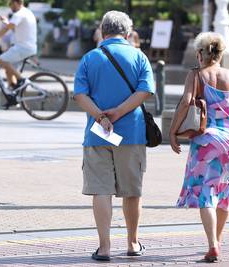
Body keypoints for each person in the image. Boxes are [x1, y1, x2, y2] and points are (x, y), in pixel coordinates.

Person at [169, 32, 229, 262]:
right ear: (220, 54)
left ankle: (212, 245)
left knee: (206, 194)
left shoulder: (196, 75)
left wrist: (172, 131)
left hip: (207, 141)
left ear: (200, 54)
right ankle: (217, 242)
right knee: (224, 195)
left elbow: (186, 102)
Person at [74, 11, 154, 261]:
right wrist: (119, 112)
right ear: (128, 33)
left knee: (101, 190)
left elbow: (80, 94)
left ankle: (105, 247)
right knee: (132, 191)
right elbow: (145, 90)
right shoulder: (139, 56)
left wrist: (101, 116)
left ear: (102, 30)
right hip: (132, 133)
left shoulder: (90, 58)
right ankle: (132, 243)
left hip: (98, 135)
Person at [0, 0, 37, 108]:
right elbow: (15, 28)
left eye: (11, 4)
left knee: (0, 60)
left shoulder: (19, 14)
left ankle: (21, 80)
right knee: (8, 69)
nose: (10, 6)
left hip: (23, 47)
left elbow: (7, 29)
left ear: (17, 2)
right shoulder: (27, 12)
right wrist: (6, 21)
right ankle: (13, 96)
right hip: (26, 47)